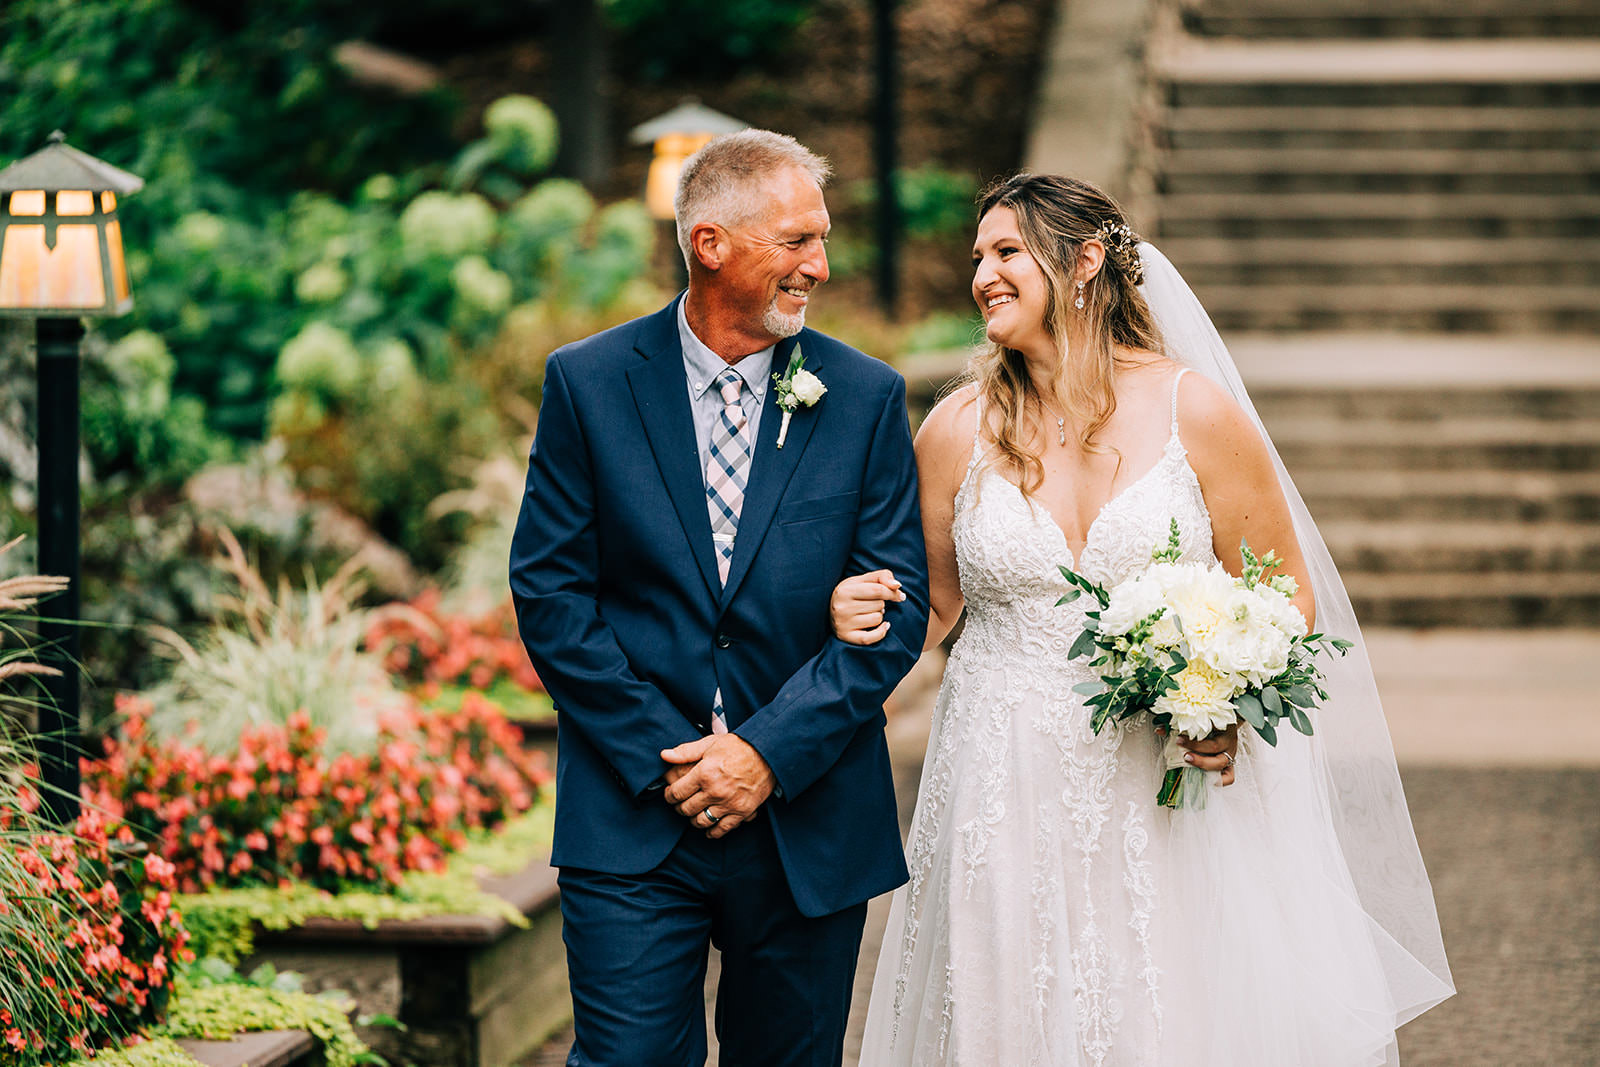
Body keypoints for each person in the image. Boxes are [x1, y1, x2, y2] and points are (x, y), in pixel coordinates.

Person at [834, 174, 1454, 1065]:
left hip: (1158, 781)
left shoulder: (1192, 411)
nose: (983, 275)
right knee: (1004, 1004)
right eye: (978, 257)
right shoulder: (958, 426)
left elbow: (1283, 597)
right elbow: (927, 605)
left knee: (1162, 1007)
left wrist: (1224, 703)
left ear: (1085, 262)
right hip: (998, 777)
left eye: (1008, 252)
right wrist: (851, 617)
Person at [508, 129, 929, 1067]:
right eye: (795, 241)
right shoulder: (588, 382)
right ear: (711, 244)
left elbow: (896, 613)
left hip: (806, 818)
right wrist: (673, 763)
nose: (818, 265)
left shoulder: (863, 397)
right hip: (633, 817)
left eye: (821, 239)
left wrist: (763, 755)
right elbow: (550, 591)